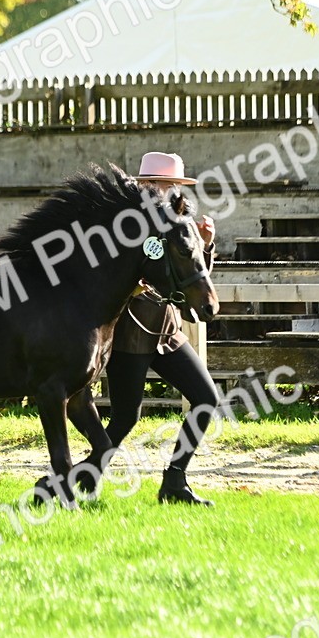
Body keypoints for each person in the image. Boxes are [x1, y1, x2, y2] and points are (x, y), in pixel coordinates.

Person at [97, 152, 221, 506]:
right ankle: (85, 474)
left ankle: (175, 479)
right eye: (161, 184)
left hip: (167, 331)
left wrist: (206, 244)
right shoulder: (127, 223)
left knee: (206, 398)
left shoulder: (181, 220)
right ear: (146, 185)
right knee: (124, 420)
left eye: (172, 185)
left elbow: (193, 274)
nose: (166, 191)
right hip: (131, 333)